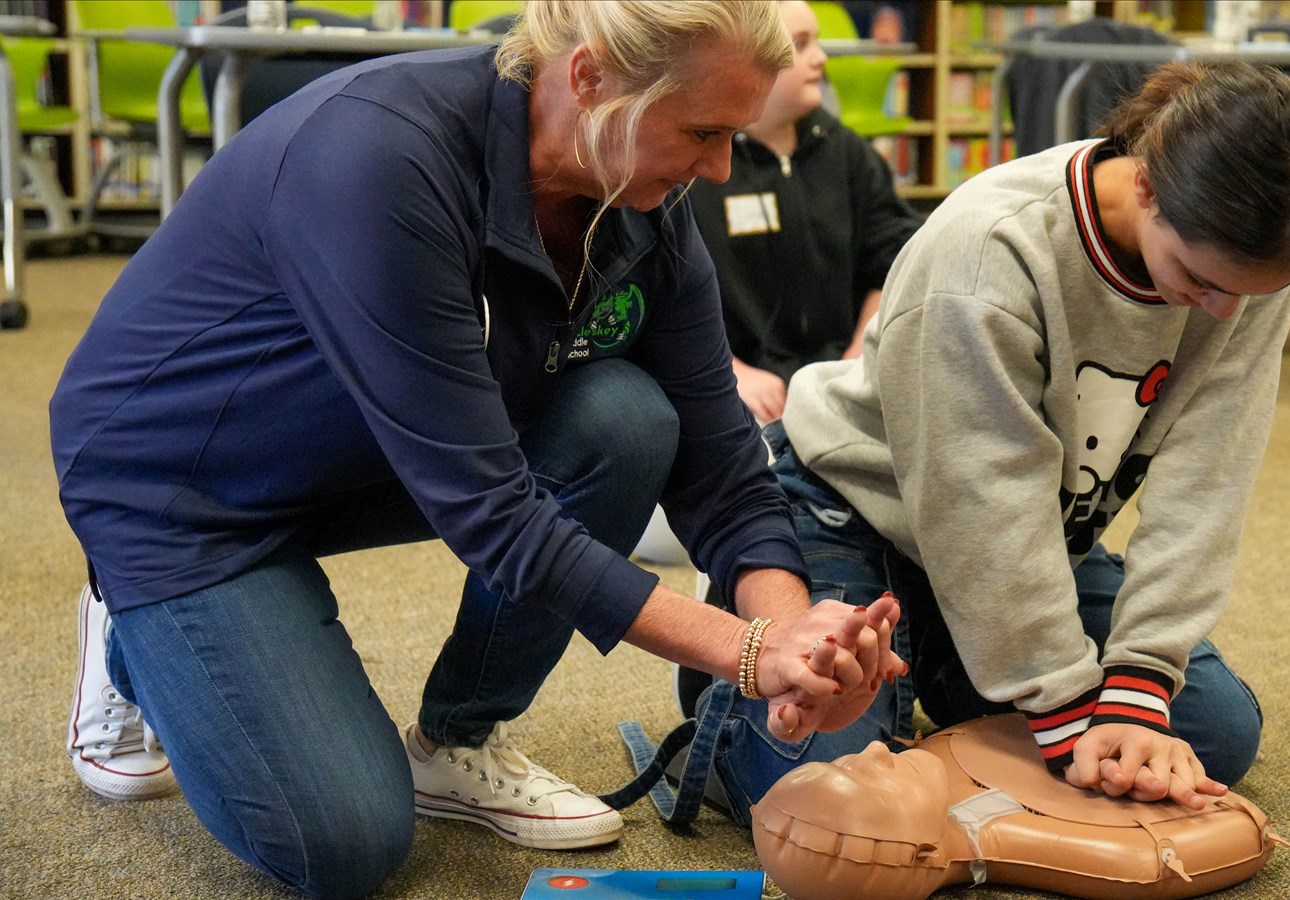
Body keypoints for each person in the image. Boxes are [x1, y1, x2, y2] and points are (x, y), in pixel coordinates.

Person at [50, 3, 903, 897]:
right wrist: (746, 649)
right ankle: (131, 624)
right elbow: (496, 517)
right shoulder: (379, 157)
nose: (721, 166)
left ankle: (459, 739)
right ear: (590, 78)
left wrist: (800, 637)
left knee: (628, 418)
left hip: (391, 442)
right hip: (182, 490)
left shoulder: (641, 190)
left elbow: (723, 468)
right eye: (702, 131)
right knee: (342, 846)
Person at [671, 60, 1290, 825]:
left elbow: (1207, 485)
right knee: (812, 790)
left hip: (1032, 538)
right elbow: (980, 506)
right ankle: (750, 651)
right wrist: (1063, 710)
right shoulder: (989, 249)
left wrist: (1138, 684)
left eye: (1248, 293)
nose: (1224, 315)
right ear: (1148, 187)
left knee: (1212, 734)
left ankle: (948, 681)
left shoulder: (1249, 260)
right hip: (851, 512)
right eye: (1199, 280)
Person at [687, 0, 922, 424]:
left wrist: (861, 356)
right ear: (741, 62)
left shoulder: (846, 151)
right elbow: (664, 292)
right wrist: (730, 373)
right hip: (736, 391)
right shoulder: (696, 164)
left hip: (841, 379)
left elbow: (896, 256)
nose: (822, 58)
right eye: (801, 44)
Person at [751, 715, 1283, 900]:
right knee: (803, 743)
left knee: (1220, 733)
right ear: (917, 852)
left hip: (1049, 549)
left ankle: (960, 672)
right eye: (871, 777)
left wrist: (1125, 707)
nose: (874, 752)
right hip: (860, 532)